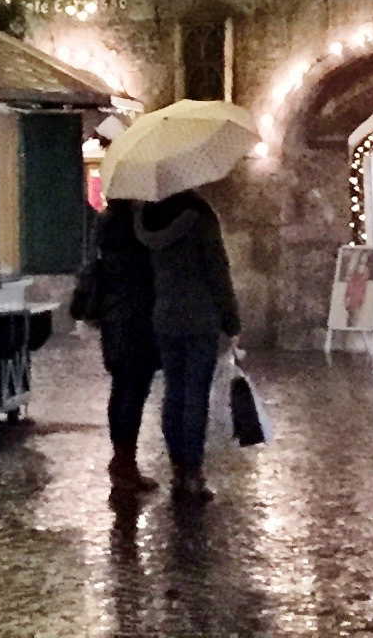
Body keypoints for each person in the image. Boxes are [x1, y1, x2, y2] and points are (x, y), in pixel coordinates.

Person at [132, 182, 240, 504]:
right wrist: (231, 321)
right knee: (196, 396)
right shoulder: (200, 218)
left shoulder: (148, 220)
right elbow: (218, 272)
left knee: (173, 392)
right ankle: (193, 472)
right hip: (200, 319)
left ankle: (178, 468)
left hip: (165, 317)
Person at [82, 193, 160, 499]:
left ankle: (122, 460)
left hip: (112, 317)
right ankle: (125, 464)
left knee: (120, 388)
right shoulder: (139, 227)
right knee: (134, 391)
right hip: (137, 317)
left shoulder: (104, 223)